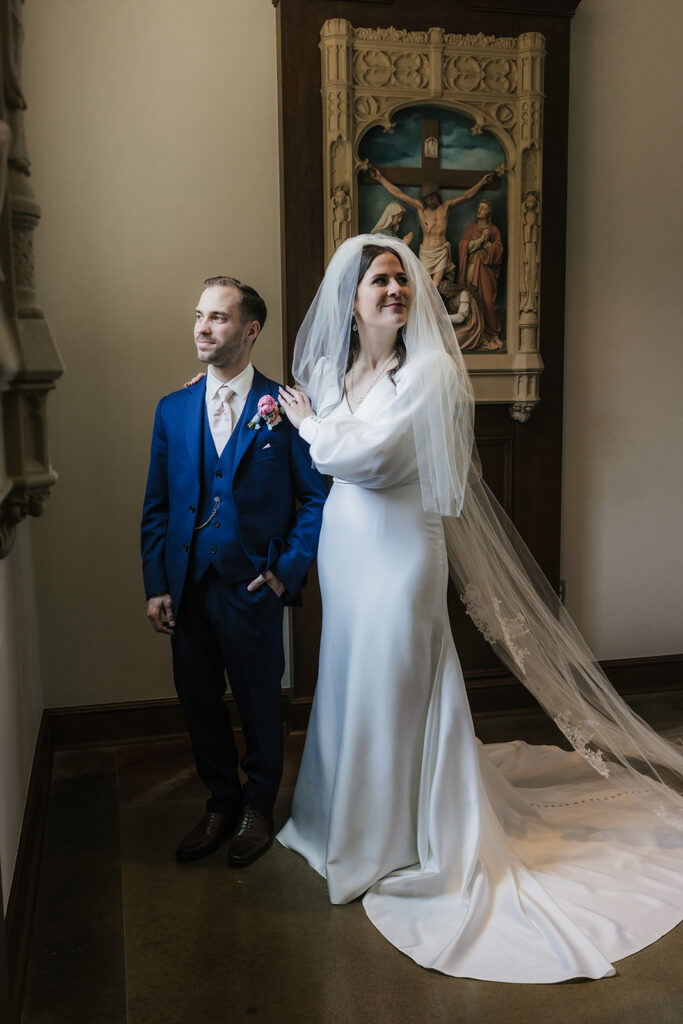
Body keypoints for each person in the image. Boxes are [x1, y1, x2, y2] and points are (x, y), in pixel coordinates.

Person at [275, 235, 683, 982]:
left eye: (402, 279)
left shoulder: (427, 370)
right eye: (379, 281)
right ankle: (341, 823)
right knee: (348, 680)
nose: (395, 290)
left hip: (401, 549)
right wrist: (322, 427)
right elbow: (341, 455)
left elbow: (368, 459)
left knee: (399, 680)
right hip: (346, 545)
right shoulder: (337, 371)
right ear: (352, 298)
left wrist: (311, 428)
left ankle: (400, 836)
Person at [141, 276, 327, 867]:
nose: (201, 327)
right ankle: (220, 803)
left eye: (218, 318)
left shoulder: (284, 408)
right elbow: (157, 506)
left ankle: (258, 808)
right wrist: (156, 584)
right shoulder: (172, 409)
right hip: (188, 588)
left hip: (252, 588)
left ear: (250, 330)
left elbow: (318, 497)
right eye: (199, 315)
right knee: (198, 700)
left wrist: (285, 571)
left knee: (258, 704)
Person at [370, 166, 496, 286]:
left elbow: (466, 196)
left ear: (437, 195)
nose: (429, 202)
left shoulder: (446, 207)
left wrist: (482, 182)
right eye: (426, 199)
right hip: (426, 252)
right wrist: (380, 178)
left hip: (441, 251)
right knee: (425, 285)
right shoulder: (421, 208)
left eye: (431, 198)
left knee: (436, 285)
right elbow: (399, 194)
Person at [456, 198, 504, 344]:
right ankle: (475, 335)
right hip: (472, 267)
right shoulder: (471, 228)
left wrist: (488, 244)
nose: (479, 210)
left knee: (489, 301)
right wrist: (479, 242)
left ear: (489, 211)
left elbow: (499, 251)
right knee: (472, 298)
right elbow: (463, 246)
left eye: (483, 208)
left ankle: (493, 333)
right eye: (479, 207)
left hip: (486, 270)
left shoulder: (494, 230)